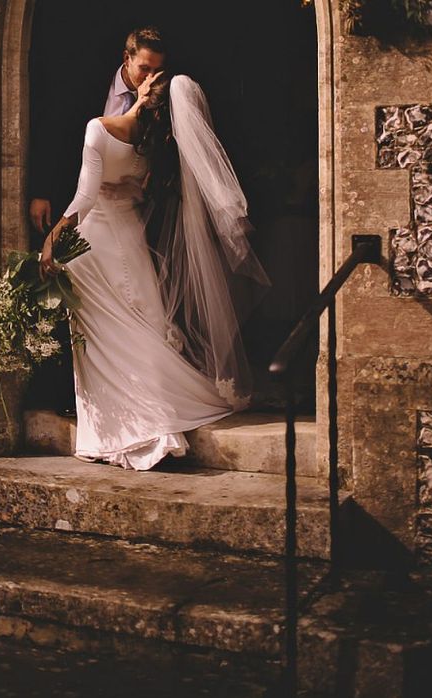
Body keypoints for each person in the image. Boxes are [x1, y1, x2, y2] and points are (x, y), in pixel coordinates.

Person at [40, 71, 269, 471]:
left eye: (147, 81)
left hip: (93, 244)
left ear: (146, 96)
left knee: (101, 334)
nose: (142, 81)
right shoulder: (154, 146)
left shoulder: (99, 128)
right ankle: (158, 407)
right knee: (141, 324)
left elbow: (85, 197)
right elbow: (142, 193)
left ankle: (127, 424)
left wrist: (53, 238)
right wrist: (127, 189)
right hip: (129, 236)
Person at [27, 27, 166, 417]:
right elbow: (54, 129)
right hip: (73, 200)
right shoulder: (86, 83)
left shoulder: (156, 108)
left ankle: (127, 393)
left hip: (122, 216)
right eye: (144, 68)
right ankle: (68, 395)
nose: (150, 77)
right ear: (127, 60)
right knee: (74, 303)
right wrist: (42, 190)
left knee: (122, 303)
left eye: (157, 69)